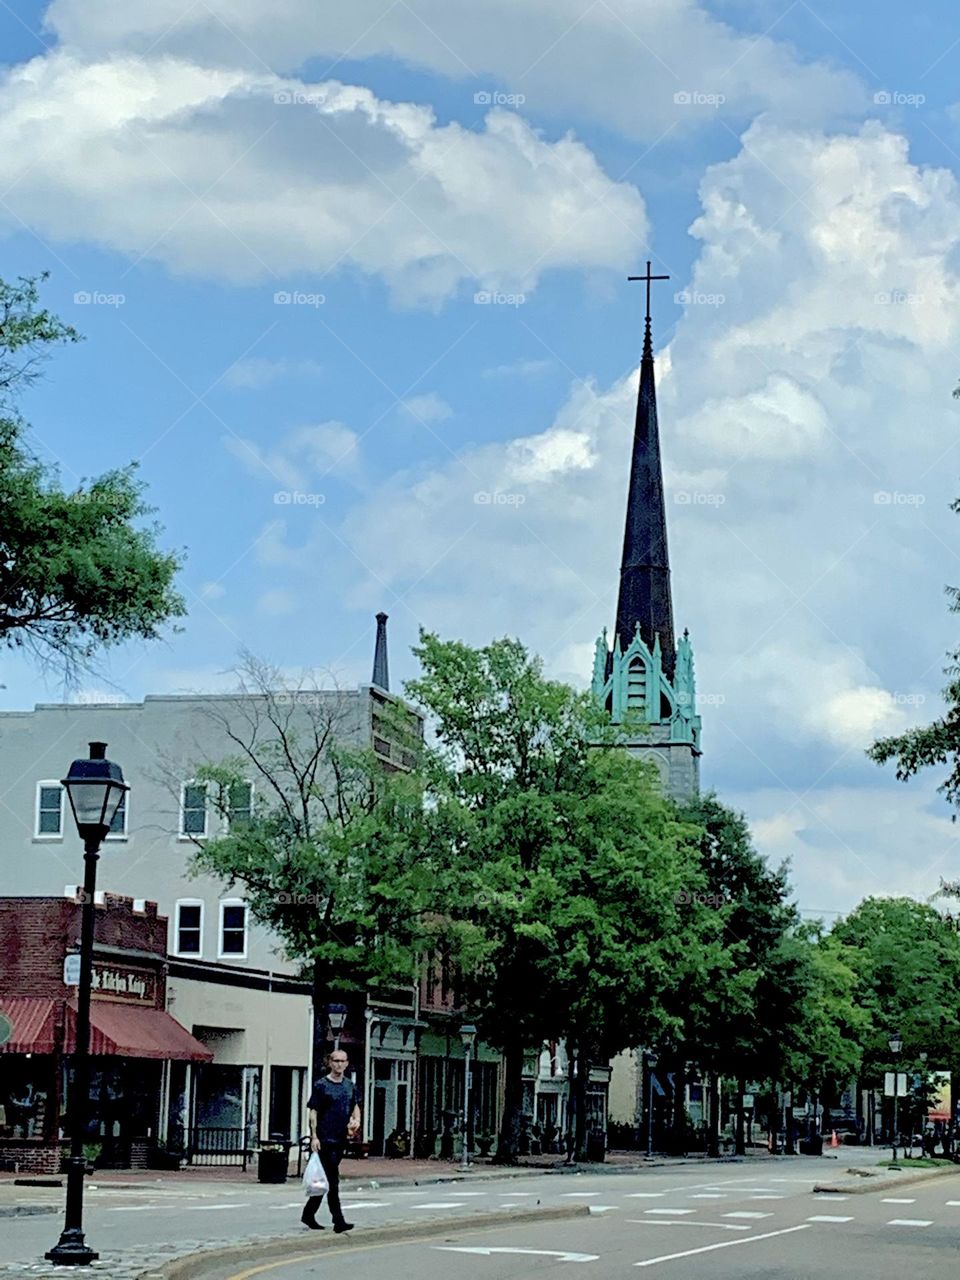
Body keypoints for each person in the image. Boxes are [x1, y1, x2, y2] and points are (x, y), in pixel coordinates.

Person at [301, 1049, 361, 1233]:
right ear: (330, 1062)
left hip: (340, 1138)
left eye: (343, 1061)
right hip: (324, 1139)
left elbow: (354, 1106)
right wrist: (314, 1136)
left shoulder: (350, 1086)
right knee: (332, 1181)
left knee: (324, 1180)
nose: (339, 1064)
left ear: (347, 1063)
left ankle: (308, 1214)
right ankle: (339, 1221)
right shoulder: (321, 1085)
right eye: (336, 1061)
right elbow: (313, 1111)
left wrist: (356, 1122)